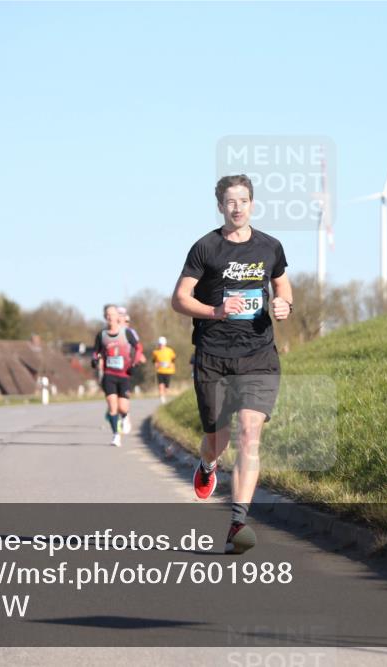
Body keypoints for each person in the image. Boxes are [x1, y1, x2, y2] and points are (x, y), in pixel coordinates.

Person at [171, 174, 292, 554]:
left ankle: (238, 523)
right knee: (217, 441)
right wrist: (215, 311)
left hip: (258, 353)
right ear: (220, 206)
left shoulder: (271, 247)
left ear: (252, 204)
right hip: (213, 354)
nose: (237, 207)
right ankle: (207, 465)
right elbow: (178, 299)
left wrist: (284, 304)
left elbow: (282, 284)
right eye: (230, 201)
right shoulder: (205, 248)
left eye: (243, 200)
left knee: (249, 434)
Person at [92, 304, 143, 446]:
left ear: (117, 317)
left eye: (112, 314)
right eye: (107, 314)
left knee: (123, 408)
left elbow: (138, 348)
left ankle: (125, 416)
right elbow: (96, 351)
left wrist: (135, 363)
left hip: (124, 375)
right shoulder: (101, 335)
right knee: (112, 407)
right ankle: (116, 435)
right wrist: (94, 359)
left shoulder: (126, 333)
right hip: (109, 375)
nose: (110, 317)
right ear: (104, 317)